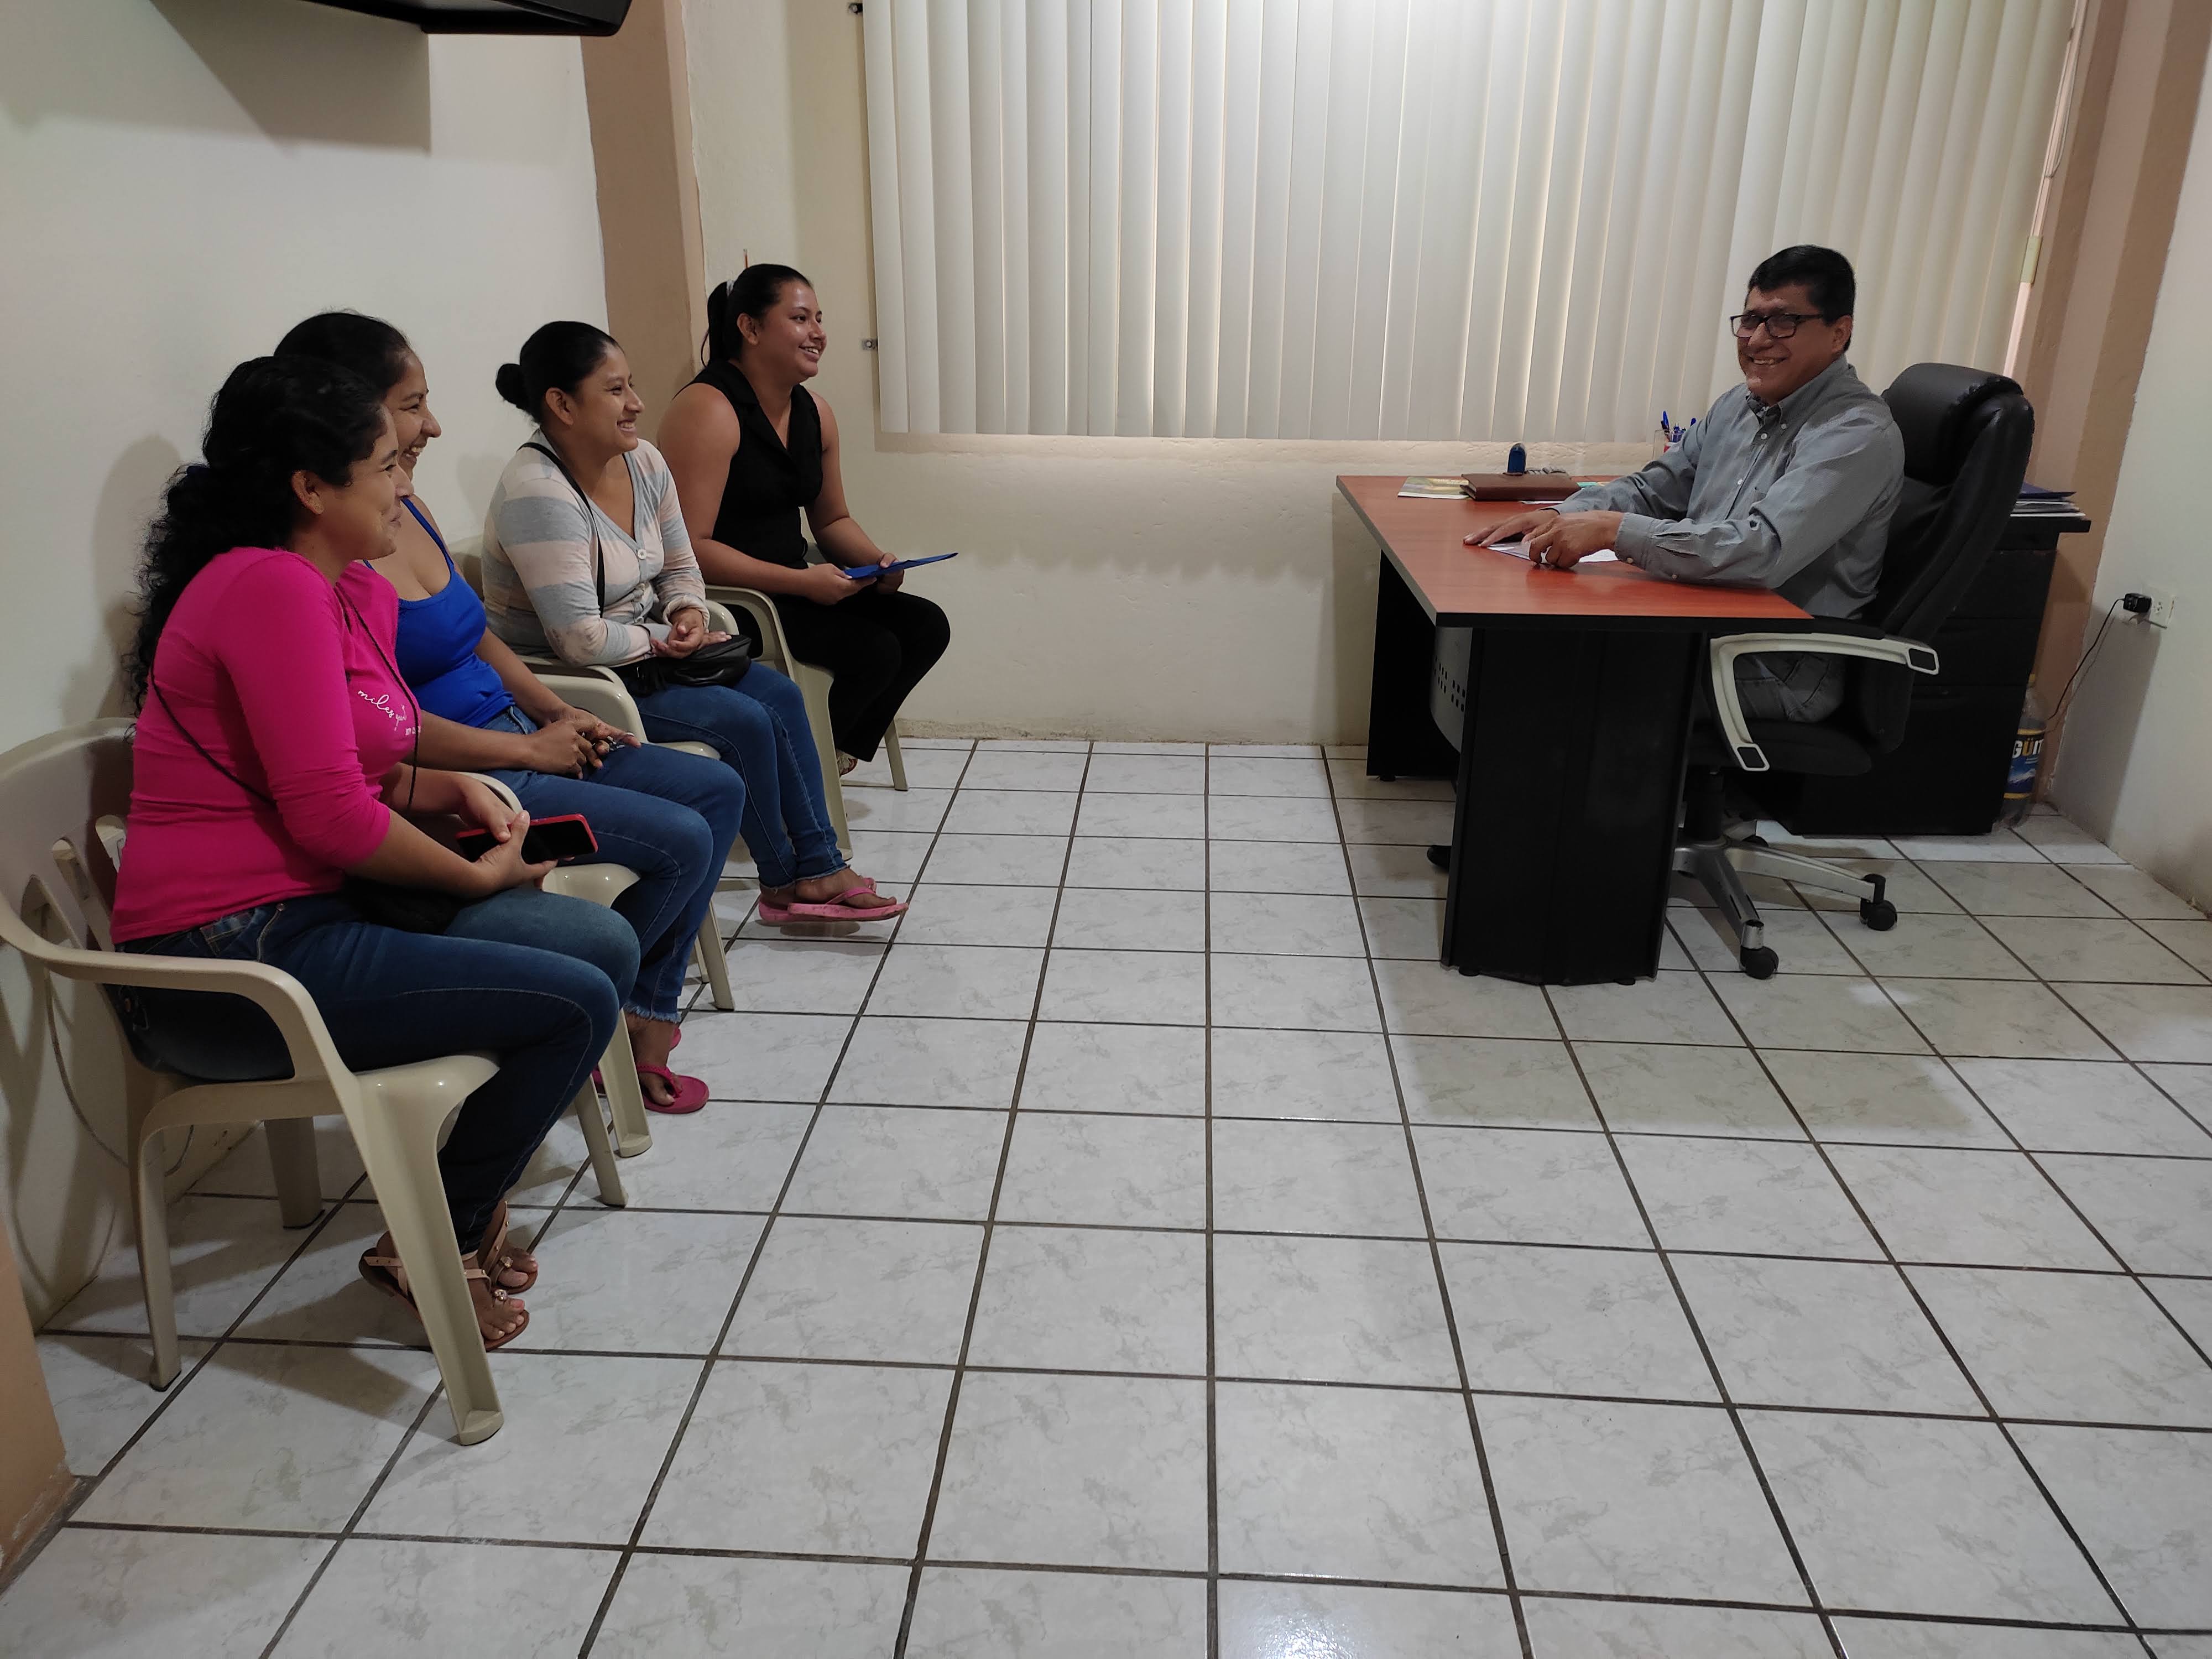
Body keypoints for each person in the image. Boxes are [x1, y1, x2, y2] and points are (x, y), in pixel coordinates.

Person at [111, 356, 643, 1351]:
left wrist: (450, 792)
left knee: (600, 948)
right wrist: (476, 873)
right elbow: (329, 817)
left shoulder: (323, 583)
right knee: (574, 998)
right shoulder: (272, 587)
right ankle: (438, 1233)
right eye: (387, 465)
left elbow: (352, 766)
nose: (406, 484)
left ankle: (456, 1208)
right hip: (226, 965)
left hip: (302, 913)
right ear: (312, 488)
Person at [275, 312, 741, 1114]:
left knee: (716, 789)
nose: (433, 425)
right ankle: (625, 1028)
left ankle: (639, 1009)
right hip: (467, 774)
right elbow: (380, 732)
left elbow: (475, 635)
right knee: (682, 836)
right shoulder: (327, 560)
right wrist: (523, 755)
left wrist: (558, 712)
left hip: (518, 735)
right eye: (413, 406)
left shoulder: (402, 509)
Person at [478, 321, 905, 922]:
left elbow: (681, 565)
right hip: (580, 679)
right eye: (615, 391)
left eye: (632, 385)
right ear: (562, 405)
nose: (636, 404)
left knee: (780, 696)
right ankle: (786, 881)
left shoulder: (644, 462)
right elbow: (577, 639)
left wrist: (687, 613)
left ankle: (818, 864)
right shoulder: (538, 492)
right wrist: (666, 639)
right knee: (745, 721)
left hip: (649, 657)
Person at [1478, 244, 1906, 724]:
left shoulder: (1855, 433)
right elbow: (1655, 489)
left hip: (1778, 662)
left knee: (1572, 671)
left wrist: (1615, 530)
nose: (1757, 339)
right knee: (1535, 642)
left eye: (1783, 322)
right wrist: (1563, 515)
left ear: (1838, 333)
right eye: (1750, 320)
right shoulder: (1738, 406)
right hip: (1700, 623)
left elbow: (1762, 552)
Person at [658, 264, 951, 772]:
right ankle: (804, 768)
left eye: (819, 318)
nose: (818, 333)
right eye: (800, 318)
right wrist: (801, 582)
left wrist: (878, 562)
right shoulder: (709, 408)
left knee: (926, 626)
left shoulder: (816, 411)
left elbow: (832, 520)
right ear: (750, 328)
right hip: (730, 598)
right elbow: (689, 549)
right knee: (875, 650)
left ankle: (826, 754)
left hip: (798, 586)